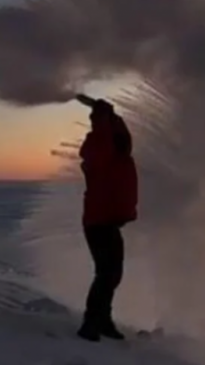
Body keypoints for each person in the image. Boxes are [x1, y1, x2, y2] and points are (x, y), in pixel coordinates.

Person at [74, 93, 138, 342]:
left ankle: (102, 320)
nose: (122, 141)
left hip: (109, 220)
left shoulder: (117, 152)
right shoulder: (99, 152)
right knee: (106, 273)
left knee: (113, 273)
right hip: (98, 221)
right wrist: (101, 116)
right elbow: (103, 139)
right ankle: (91, 323)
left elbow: (122, 136)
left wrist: (111, 115)